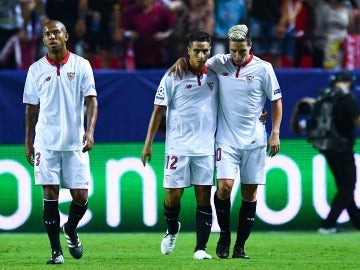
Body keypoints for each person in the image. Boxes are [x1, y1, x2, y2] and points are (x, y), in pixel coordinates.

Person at [170, 24, 282, 259]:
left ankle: (240, 246)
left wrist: (275, 132)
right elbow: (194, 61)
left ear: (250, 46)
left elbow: (276, 100)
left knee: (249, 194)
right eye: (233, 51)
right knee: (224, 187)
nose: (237, 56)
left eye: (242, 51)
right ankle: (224, 235)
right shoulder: (220, 62)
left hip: (255, 140)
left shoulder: (264, 69)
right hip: (226, 140)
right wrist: (180, 61)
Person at [23, 20, 98, 264]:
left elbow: (92, 101)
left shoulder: (81, 65)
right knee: (50, 192)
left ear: (66, 36)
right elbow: (31, 109)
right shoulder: (35, 70)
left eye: (56, 32)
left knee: (80, 196)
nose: (52, 36)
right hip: (46, 142)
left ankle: (72, 229)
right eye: (47, 34)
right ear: (43, 40)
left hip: (75, 142)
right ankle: (56, 252)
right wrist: (28, 141)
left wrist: (90, 131)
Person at [141, 30, 218, 260]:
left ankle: (201, 248)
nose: (201, 55)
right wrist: (148, 144)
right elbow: (158, 111)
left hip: (205, 147)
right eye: (197, 51)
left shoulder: (216, 74)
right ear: (188, 51)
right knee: (173, 196)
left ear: (210, 51)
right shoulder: (173, 75)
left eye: (205, 50)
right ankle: (172, 228)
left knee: (204, 195)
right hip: (177, 146)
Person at [315, 71, 360, 233]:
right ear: (349, 82)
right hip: (343, 148)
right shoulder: (347, 98)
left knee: (344, 187)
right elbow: (357, 120)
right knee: (347, 188)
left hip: (327, 147)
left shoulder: (324, 96)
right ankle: (327, 225)